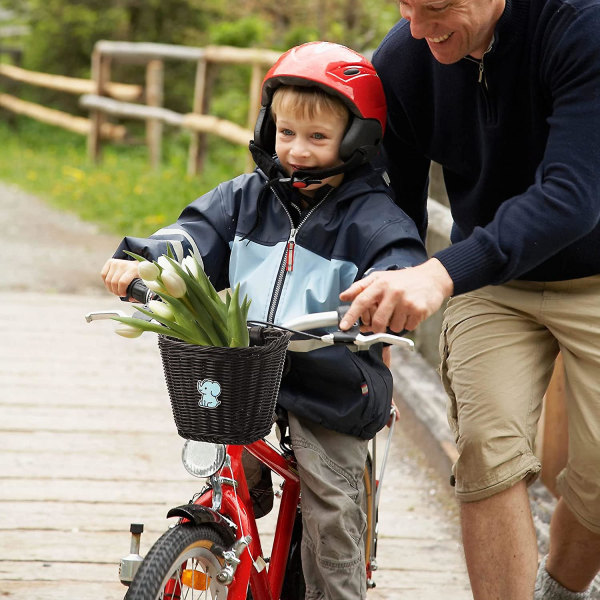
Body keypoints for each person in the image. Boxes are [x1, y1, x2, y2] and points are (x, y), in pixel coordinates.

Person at [101, 41, 427, 600]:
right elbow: (191, 235)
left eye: (318, 138)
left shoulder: (373, 217)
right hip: (245, 375)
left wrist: (389, 293)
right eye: (285, 133)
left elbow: (400, 262)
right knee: (224, 476)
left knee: (331, 514)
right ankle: (215, 540)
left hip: (332, 382)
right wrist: (149, 260)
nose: (297, 151)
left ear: (358, 141)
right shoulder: (246, 199)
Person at [338, 0, 600, 598]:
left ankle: (558, 590)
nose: (417, 27)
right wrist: (379, 332)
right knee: (488, 449)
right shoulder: (405, 57)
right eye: (406, 5)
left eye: (437, 8)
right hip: (492, 288)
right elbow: (391, 213)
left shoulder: (581, 26)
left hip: (594, 275)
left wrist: (439, 274)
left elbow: (572, 197)